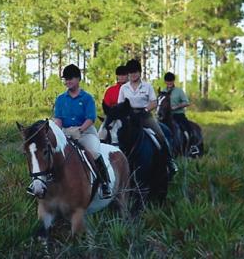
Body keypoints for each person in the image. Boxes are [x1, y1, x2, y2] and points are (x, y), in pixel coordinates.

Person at [54, 64, 112, 199]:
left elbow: (91, 118)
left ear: (78, 79)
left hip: (85, 131)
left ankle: (105, 184)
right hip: (66, 131)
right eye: (66, 79)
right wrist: (58, 132)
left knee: (94, 152)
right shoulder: (61, 99)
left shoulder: (87, 98)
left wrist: (79, 130)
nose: (68, 82)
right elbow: (58, 118)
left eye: (71, 79)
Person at [118, 59, 178, 177]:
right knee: (116, 134)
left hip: (144, 115)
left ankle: (169, 161)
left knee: (160, 134)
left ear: (140, 72)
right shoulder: (124, 88)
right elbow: (120, 104)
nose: (132, 75)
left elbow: (154, 102)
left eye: (135, 72)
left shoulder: (147, 86)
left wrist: (145, 110)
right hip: (129, 117)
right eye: (130, 73)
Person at [98, 65, 128, 142]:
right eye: (119, 75)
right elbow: (106, 105)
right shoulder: (110, 90)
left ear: (127, 76)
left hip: (128, 117)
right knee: (101, 133)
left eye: (123, 75)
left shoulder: (131, 90)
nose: (121, 77)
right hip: (112, 117)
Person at [163, 72, 192, 139]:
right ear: (165, 81)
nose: (169, 83)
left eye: (171, 81)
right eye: (168, 81)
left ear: (173, 81)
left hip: (178, 115)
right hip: (166, 116)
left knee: (187, 127)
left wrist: (176, 107)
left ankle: (191, 144)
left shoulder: (179, 91)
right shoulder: (163, 91)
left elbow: (187, 102)